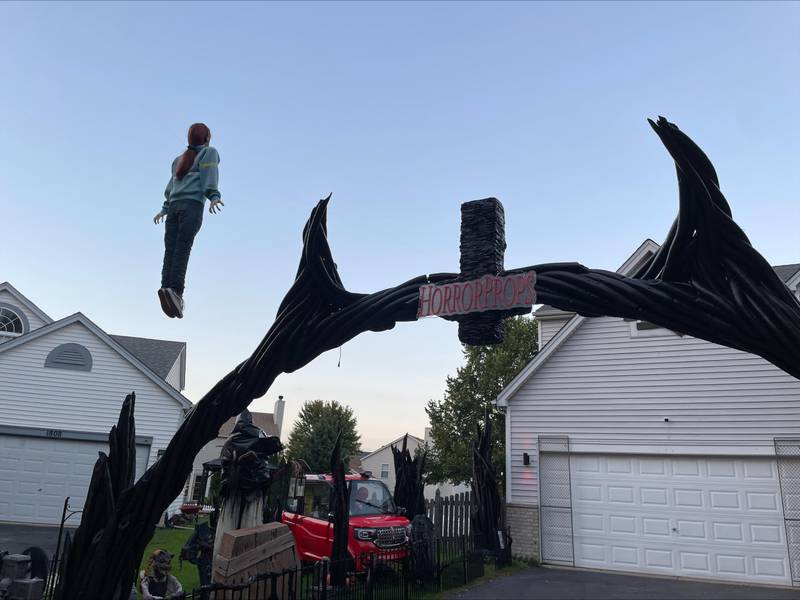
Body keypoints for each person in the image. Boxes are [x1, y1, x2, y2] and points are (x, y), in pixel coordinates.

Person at [154, 122, 224, 318]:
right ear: (207, 138)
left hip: (174, 207)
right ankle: (176, 292)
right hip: (191, 206)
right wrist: (214, 196)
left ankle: (165, 289)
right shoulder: (208, 153)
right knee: (183, 249)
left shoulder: (178, 160)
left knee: (170, 250)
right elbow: (209, 176)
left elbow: (171, 186)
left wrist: (165, 209)